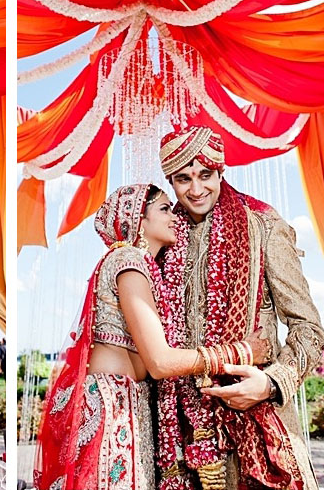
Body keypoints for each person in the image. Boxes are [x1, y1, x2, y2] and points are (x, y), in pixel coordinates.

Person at [33, 184, 269, 490]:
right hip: (111, 402)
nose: (174, 217)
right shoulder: (128, 261)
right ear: (138, 220)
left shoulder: (141, 265)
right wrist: (242, 352)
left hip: (129, 400)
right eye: (164, 209)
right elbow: (160, 362)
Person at [158, 125, 324, 489]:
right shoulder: (162, 236)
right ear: (171, 181)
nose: (196, 189)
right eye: (184, 179)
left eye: (205, 175)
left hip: (261, 423)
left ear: (220, 171)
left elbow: (309, 328)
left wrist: (271, 382)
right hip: (183, 434)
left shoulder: (263, 225)